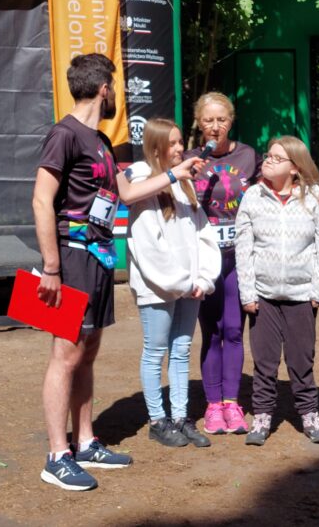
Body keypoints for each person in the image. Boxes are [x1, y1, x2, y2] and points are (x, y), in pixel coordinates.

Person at [33, 53, 204, 492]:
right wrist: (51, 266)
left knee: (87, 352)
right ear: (104, 88)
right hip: (70, 257)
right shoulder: (64, 134)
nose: (118, 96)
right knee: (65, 354)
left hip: (100, 257)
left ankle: (86, 442)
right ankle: (57, 455)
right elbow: (41, 199)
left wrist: (176, 174)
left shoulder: (101, 141)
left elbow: (125, 194)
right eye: (116, 88)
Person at [183, 92, 319, 436]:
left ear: (231, 121)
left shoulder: (249, 156)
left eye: (222, 119)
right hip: (204, 259)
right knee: (211, 332)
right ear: (199, 122)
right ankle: (214, 405)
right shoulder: (190, 160)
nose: (215, 126)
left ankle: (233, 404)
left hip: (240, 261)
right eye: (208, 120)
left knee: (234, 331)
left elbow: (288, 180)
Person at [125, 118, 221, 448]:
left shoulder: (184, 184)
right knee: (155, 352)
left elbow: (202, 233)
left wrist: (203, 278)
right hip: (158, 287)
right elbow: (148, 243)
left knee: (180, 351)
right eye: (173, 143)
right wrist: (181, 282)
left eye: (181, 142)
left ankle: (180, 418)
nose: (181, 148)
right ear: (156, 148)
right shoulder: (143, 179)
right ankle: (157, 421)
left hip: (190, 286)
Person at [234, 136, 319, 446]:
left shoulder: (314, 198)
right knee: (264, 362)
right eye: (268, 155)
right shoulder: (253, 197)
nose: (268, 161)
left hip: (302, 296)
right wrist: (248, 293)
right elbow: (244, 247)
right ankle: (262, 417)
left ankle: (309, 415)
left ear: (294, 167)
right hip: (263, 296)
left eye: (277, 158)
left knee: (301, 360)